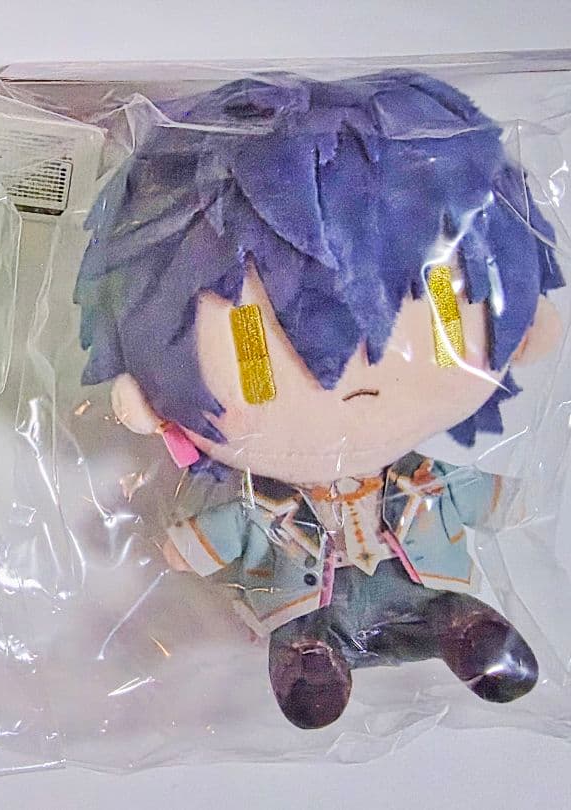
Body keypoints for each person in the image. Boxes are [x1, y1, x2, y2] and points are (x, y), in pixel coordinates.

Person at [76, 72, 562, 728]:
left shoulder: (422, 480)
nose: (358, 382)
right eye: (256, 361)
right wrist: (186, 544)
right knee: (303, 635)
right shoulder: (266, 503)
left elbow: (482, 497)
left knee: (451, 609)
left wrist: (512, 502)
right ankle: (313, 665)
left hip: (427, 587)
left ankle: (468, 634)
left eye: (445, 325)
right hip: (308, 609)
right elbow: (226, 531)